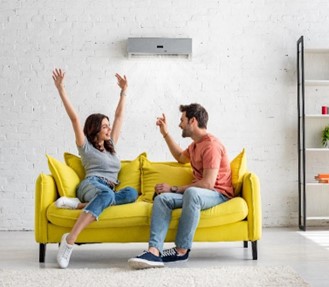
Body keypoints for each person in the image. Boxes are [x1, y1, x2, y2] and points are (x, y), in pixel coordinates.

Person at [128, 103, 234, 269]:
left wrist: (174, 188)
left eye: (182, 120)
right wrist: (165, 134)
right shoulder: (195, 145)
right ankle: (154, 252)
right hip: (199, 193)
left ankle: (181, 250)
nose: (179, 124)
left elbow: (207, 184)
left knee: (192, 192)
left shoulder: (211, 145)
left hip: (217, 193)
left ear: (193, 121)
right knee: (163, 199)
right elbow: (179, 156)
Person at [52, 68, 138, 269]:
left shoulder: (112, 146)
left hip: (108, 190)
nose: (109, 128)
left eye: (108, 126)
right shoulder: (86, 147)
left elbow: (119, 116)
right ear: (95, 129)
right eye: (105, 126)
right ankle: (70, 241)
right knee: (107, 196)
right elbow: (74, 119)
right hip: (91, 184)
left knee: (131, 193)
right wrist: (61, 89)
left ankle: (78, 206)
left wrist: (124, 91)